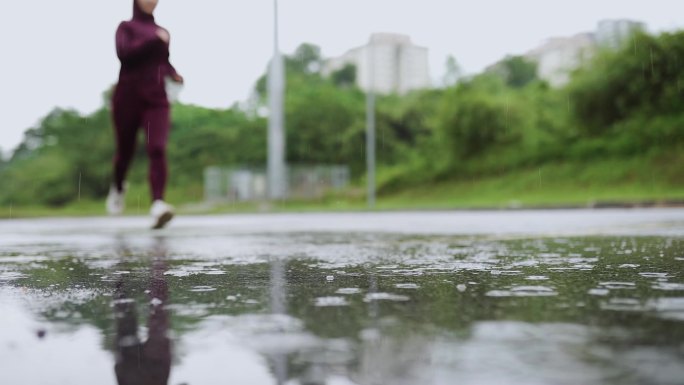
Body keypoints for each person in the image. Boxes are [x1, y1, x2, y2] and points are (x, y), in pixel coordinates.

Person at [106, 0, 183, 229]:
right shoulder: (126, 28)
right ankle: (118, 187)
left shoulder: (163, 32)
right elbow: (125, 54)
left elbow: (163, 62)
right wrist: (154, 40)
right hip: (128, 98)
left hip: (156, 100)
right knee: (125, 152)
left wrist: (175, 73)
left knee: (156, 148)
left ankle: (158, 203)